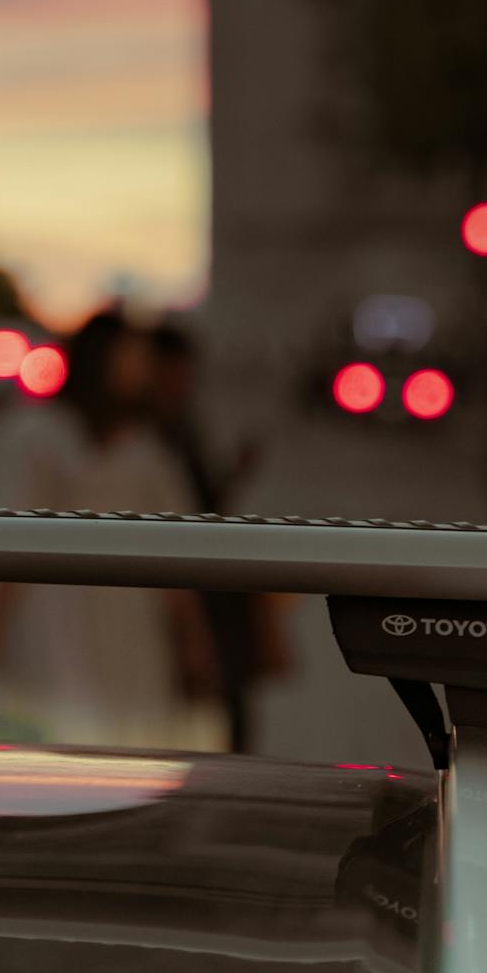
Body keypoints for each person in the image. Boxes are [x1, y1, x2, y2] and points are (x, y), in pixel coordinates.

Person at [0, 308, 228, 752]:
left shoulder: (149, 444)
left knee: (122, 742)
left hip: (129, 620)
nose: (140, 367)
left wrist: (193, 639)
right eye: (130, 356)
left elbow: (173, 551)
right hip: (59, 615)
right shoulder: (46, 435)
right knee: (57, 735)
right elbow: (15, 540)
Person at [149, 318, 283, 751]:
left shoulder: (182, 422)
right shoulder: (154, 431)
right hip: (190, 576)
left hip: (207, 572)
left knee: (228, 689)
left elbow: (203, 499)